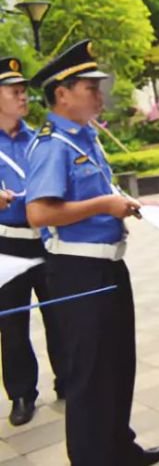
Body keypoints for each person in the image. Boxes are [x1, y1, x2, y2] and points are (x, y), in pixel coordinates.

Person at [25, 40, 159, 465]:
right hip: (77, 273)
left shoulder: (84, 135)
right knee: (88, 375)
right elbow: (38, 211)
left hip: (107, 268)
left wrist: (121, 205)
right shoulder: (53, 144)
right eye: (90, 86)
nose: (99, 94)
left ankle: (119, 448)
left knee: (118, 363)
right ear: (62, 93)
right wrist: (105, 205)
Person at [0, 56, 64, 427]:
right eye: (15, 92)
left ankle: (67, 380)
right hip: (6, 243)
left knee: (59, 314)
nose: (23, 98)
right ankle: (22, 393)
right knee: (11, 324)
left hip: (45, 238)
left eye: (24, 91)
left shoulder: (39, 138)